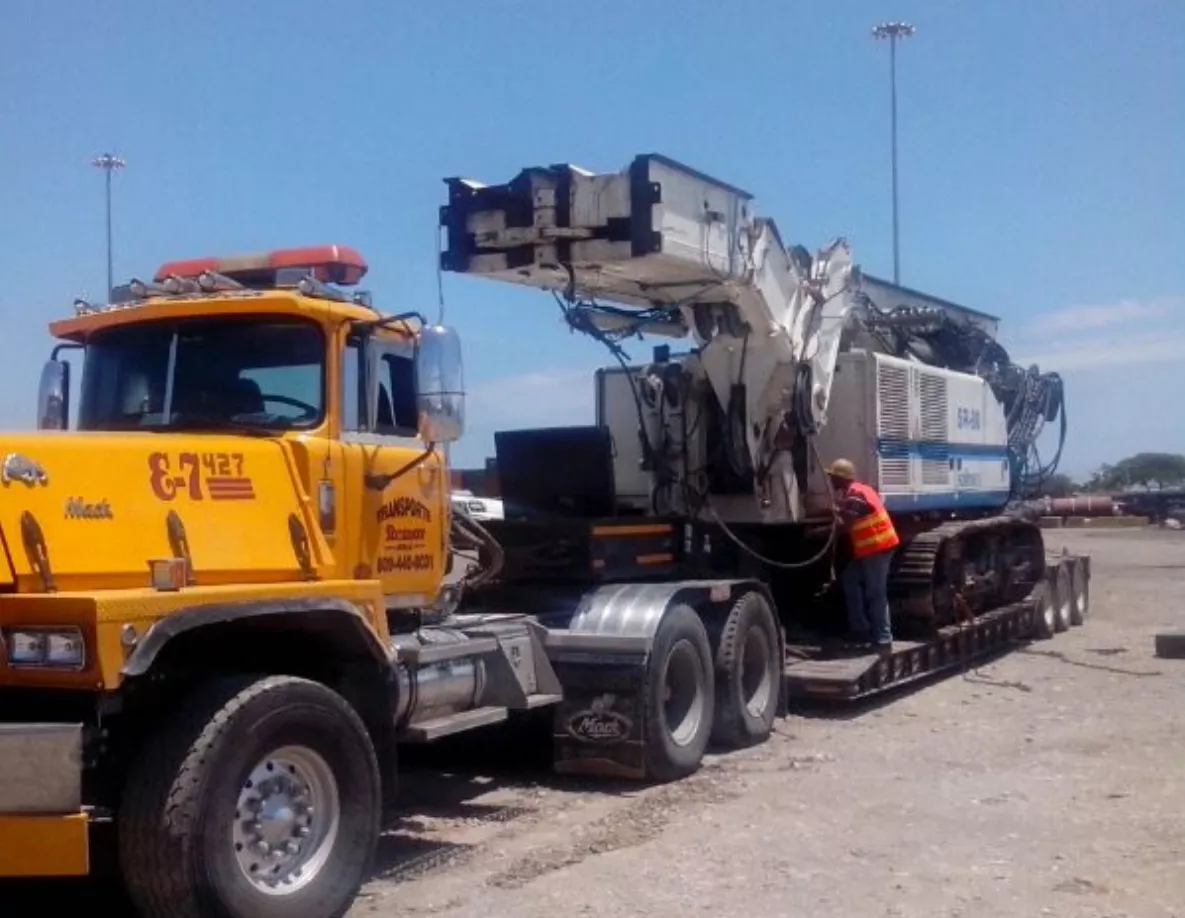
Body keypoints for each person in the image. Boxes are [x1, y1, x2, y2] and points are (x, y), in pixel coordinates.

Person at [826, 458, 899, 652]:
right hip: (871, 549)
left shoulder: (856, 493)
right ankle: (860, 628)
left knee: (876, 593)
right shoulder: (858, 491)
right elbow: (850, 512)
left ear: (841, 479)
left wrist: (819, 532)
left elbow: (846, 524)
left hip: (878, 547)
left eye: (833, 477)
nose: (831, 481)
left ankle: (884, 640)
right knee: (850, 578)